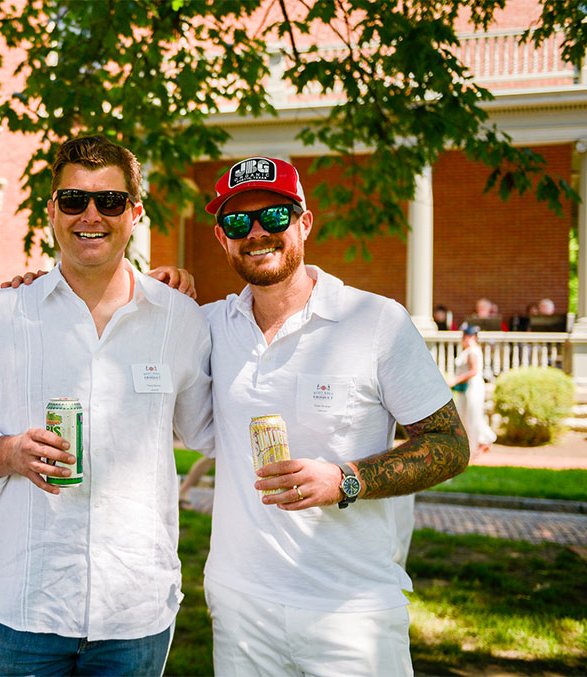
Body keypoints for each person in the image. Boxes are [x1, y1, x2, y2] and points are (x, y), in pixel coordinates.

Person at [0, 135, 214, 675]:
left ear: (135, 212)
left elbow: (209, 430)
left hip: (134, 612)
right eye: (74, 200)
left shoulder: (180, 320)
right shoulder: (0, 315)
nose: (91, 215)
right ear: (51, 211)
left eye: (110, 201)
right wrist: (9, 451)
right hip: (23, 605)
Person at [201, 156, 470, 675]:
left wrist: (345, 479)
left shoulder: (374, 321)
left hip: (353, 609)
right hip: (241, 605)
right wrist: (35, 283)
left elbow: (449, 444)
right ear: (222, 237)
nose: (257, 232)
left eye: (275, 216)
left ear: (304, 223)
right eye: (239, 222)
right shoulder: (209, 326)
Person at [449, 324, 496, 455]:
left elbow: (473, 371)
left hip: (473, 386)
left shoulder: (473, 351)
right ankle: (474, 441)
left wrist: (455, 380)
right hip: (465, 388)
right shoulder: (466, 351)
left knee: (474, 415)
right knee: (464, 414)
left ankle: (482, 441)